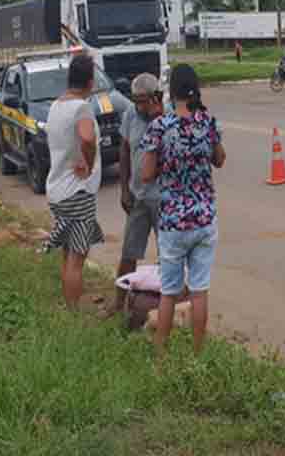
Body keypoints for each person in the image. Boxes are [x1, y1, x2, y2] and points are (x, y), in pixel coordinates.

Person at [141, 64, 226, 354]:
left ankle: (160, 354)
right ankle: (198, 353)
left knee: (169, 292)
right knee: (199, 291)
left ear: (170, 90)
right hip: (204, 219)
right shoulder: (208, 122)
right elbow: (220, 159)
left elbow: (146, 174)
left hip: (174, 222)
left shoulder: (160, 127)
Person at [44, 52, 104, 310]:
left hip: (57, 190)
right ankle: (72, 314)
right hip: (77, 192)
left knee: (67, 252)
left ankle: (67, 306)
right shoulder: (82, 107)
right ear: (90, 81)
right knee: (77, 258)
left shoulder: (56, 105)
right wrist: (89, 164)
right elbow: (88, 138)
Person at [107, 73, 164, 317]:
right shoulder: (131, 114)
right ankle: (119, 303)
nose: (138, 105)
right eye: (135, 100)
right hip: (138, 197)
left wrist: (160, 119)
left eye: (143, 101)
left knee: (168, 258)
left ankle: (164, 309)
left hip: (164, 200)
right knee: (129, 253)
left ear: (155, 97)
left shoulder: (168, 117)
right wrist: (124, 190)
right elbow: (124, 149)